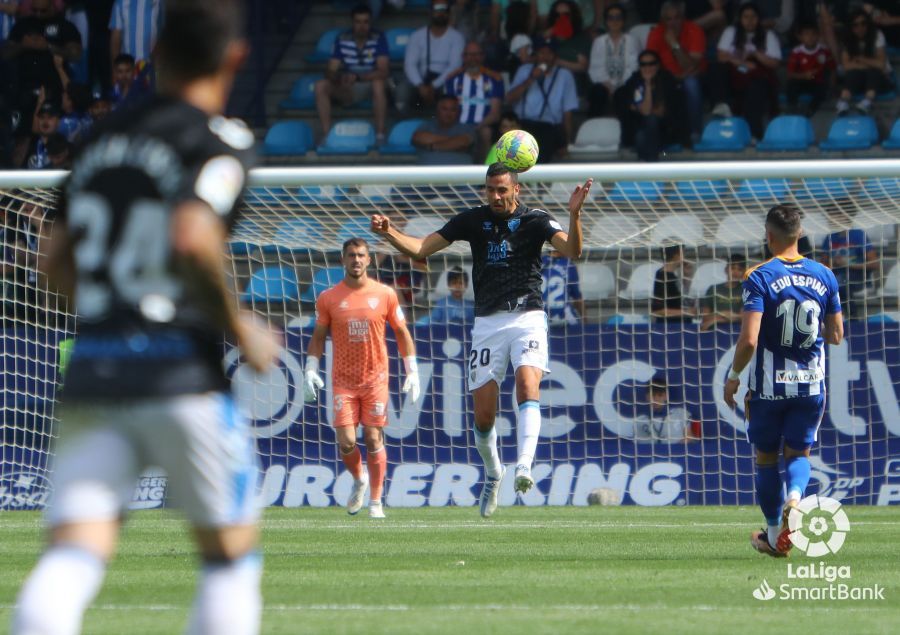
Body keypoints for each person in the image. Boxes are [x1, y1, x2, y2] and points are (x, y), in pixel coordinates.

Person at [11, 2, 279, 634]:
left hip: (94, 372)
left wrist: (112, 310)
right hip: (180, 377)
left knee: (74, 554)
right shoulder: (221, 141)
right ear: (234, 58)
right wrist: (239, 328)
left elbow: (53, 260)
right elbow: (192, 235)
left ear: (156, 55)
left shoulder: (100, 138)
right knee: (229, 562)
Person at [370, 163, 592, 517]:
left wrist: (575, 214)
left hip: (527, 317)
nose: (496, 196)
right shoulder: (472, 220)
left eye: (502, 190)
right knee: (484, 418)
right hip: (488, 323)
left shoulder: (537, 220)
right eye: (491, 190)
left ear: (516, 189)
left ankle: (523, 465)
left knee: (527, 383)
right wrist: (389, 232)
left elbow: (573, 251)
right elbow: (421, 250)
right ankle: (494, 472)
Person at [725, 204, 843, 558]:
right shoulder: (825, 275)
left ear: (769, 235)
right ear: (800, 235)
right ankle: (796, 497)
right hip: (810, 385)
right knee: (799, 452)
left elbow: (748, 340)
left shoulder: (758, 276)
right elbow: (836, 335)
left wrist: (733, 378)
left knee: (765, 458)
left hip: (768, 387)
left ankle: (775, 533)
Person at [302, 238, 420, 519]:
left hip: (375, 378)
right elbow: (318, 336)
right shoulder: (328, 297)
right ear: (343, 260)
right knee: (346, 441)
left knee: (372, 435)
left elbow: (402, 332)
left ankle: (376, 502)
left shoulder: (385, 294)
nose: (356, 260)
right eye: (351, 255)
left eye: (361, 255)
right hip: (343, 379)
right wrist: (310, 368)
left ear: (369, 260)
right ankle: (359, 479)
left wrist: (412, 370)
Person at [315, 3, 390, 143]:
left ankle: (380, 134)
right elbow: (330, 70)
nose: (362, 26)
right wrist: (339, 78)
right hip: (349, 87)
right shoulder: (342, 38)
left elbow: (383, 71)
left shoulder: (379, 37)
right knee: (320, 85)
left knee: (379, 83)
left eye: (366, 22)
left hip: (370, 84)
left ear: (371, 22)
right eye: (358, 22)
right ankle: (327, 135)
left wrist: (358, 77)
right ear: (352, 22)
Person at [710, 1, 781, 140]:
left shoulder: (768, 35)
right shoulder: (731, 31)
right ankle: (722, 105)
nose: (749, 21)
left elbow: (774, 63)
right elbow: (721, 56)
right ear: (740, 18)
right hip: (735, 74)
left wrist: (755, 54)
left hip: (756, 78)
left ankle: (754, 134)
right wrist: (741, 62)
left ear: (759, 18)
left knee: (757, 87)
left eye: (753, 16)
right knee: (717, 68)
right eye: (745, 17)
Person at [506, 36, 579, 161]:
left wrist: (567, 140)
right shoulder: (524, 71)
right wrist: (531, 79)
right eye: (541, 53)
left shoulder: (564, 75)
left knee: (546, 138)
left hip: (550, 127)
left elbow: (568, 113)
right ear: (536, 54)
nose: (545, 57)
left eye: (549, 53)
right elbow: (509, 99)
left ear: (555, 56)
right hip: (524, 124)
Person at [646, 1, 706, 142]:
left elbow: (689, 66)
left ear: (683, 17)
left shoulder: (694, 30)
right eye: (668, 18)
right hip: (667, 77)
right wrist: (674, 76)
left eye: (677, 17)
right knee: (662, 83)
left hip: (695, 77)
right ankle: (667, 135)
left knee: (691, 84)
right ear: (663, 20)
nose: (673, 22)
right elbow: (649, 65)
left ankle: (695, 132)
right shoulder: (656, 33)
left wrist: (674, 44)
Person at [398, 1, 465, 113]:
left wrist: (433, 85)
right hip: (421, 80)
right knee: (402, 89)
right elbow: (410, 64)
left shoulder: (457, 38)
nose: (440, 14)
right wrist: (420, 85)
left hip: (445, 81)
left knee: (453, 87)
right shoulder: (417, 36)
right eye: (437, 11)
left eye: (444, 12)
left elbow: (455, 66)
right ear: (430, 13)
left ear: (449, 14)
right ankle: (405, 122)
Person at [620, 49, 687, 161]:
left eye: (651, 64)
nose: (648, 67)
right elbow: (646, 111)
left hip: (665, 131)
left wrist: (642, 108)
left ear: (658, 65)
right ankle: (650, 168)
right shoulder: (634, 81)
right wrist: (647, 84)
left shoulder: (667, 81)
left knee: (651, 122)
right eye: (643, 64)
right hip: (638, 130)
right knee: (642, 134)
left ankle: (649, 167)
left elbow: (659, 112)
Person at [445, 40, 505, 159]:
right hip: (458, 126)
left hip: (482, 126)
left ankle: (484, 171)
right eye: (469, 54)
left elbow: (495, 114)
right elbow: (448, 109)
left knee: (486, 133)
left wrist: (475, 127)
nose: (473, 58)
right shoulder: (453, 79)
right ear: (463, 57)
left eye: (477, 54)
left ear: (483, 56)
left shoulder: (494, 79)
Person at [836, 9, 893, 115]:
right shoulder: (847, 38)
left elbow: (881, 64)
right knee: (853, 74)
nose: (860, 28)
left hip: (880, 78)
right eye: (855, 25)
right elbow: (846, 66)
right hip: (859, 77)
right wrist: (871, 63)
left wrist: (860, 59)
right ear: (851, 27)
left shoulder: (877, 35)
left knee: (874, 73)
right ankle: (843, 101)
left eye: (863, 23)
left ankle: (867, 101)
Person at [587, 3, 639, 117]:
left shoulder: (632, 40)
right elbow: (595, 68)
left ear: (623, 20)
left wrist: (618, 85)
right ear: (606, 21)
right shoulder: (599, 41)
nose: (614, 21)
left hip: (625, 84)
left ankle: (625, 131)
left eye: (618, 17)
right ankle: (593, 127)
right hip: (604, 84)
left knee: (623, 94)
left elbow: (633, 67)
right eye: (611, 18)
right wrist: (608, 85)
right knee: (597, 92)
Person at [820, 224, 877, 319]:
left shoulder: (859, 235)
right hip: (836, 275)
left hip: (858, 277)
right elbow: (823, 266)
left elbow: (874, 264)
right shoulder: (830, 238)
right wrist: (833, 263)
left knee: (840, 282)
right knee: (835, 281)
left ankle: (852, 317)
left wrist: (848, 264)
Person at [785, 21, 835, 116]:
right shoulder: (796, 52)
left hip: (816, 81)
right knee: (791, 84)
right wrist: (804, 76)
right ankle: (792, 108)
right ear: (801, 37)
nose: (810, 37)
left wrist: (832, 86)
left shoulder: (824, 51)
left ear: (818, 36)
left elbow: (832, 69)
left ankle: (810, 110)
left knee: (822, 88)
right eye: (806, 34)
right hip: (802, 80)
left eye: (813, 34)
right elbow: (790, 73)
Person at [412, 93, 476, 164]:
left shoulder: (467, 127)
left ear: (459, 112)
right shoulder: (427, 125)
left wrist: (431, 146)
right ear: (437, 110)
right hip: (427, 172)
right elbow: (418, 138)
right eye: (444, 109)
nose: (448, 113)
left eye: (453, 110)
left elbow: (463, 142)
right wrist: (453, 142)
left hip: (460, 172)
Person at [634, 375, 701, 442]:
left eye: (660, 395)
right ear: (647, 397)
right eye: (652, 395)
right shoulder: (641, 420)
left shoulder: (680, 413)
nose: (656, 399)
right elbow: (638, 446)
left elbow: (689, 438)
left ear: (666, 396)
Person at [109, 0, 163, 67]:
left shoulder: (158, 2)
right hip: (128, 68)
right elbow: (116, 39)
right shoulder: (120, 2)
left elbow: (161, 35)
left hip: (146, 67)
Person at [699, 253, 746, 330]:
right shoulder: (713, 289)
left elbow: (743, 317)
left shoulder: (746, 290)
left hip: (737, 331)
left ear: (744, 272)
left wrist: (715, 319)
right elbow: (705, 317)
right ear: (726, 269)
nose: (735, 272)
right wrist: (724, 314)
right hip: (714, 332)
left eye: (739, 269)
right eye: (733, 268)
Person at [651, 243, 693, 323]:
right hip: (671, 327)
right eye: (683, 253)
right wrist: (687, 312)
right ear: (676, 255)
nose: (684, 257)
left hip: (682, 324)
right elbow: (657, 311)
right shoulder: (662, 276)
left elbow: (683, 297)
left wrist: (687, 276)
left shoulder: (673, 275)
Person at [542, 248, 584, 325]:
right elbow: (577, 298)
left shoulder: (539, 261)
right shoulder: (569, 265)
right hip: (564, 316)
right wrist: (585, 321)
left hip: (540, 317)